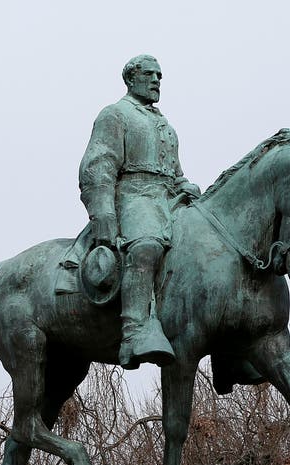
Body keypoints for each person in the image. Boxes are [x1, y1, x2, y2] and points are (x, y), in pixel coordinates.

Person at [79, 55, 201, 369]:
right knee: (147, 245)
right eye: (149, 74)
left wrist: (185, 185)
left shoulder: (165, 124)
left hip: (168, 199)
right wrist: (103, 214)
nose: (157, 79)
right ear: (131, 79)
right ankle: (134, 331)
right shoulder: (115, 114)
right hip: (133, 196)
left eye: (160, 75)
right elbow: (98, 168)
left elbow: (174, 171)